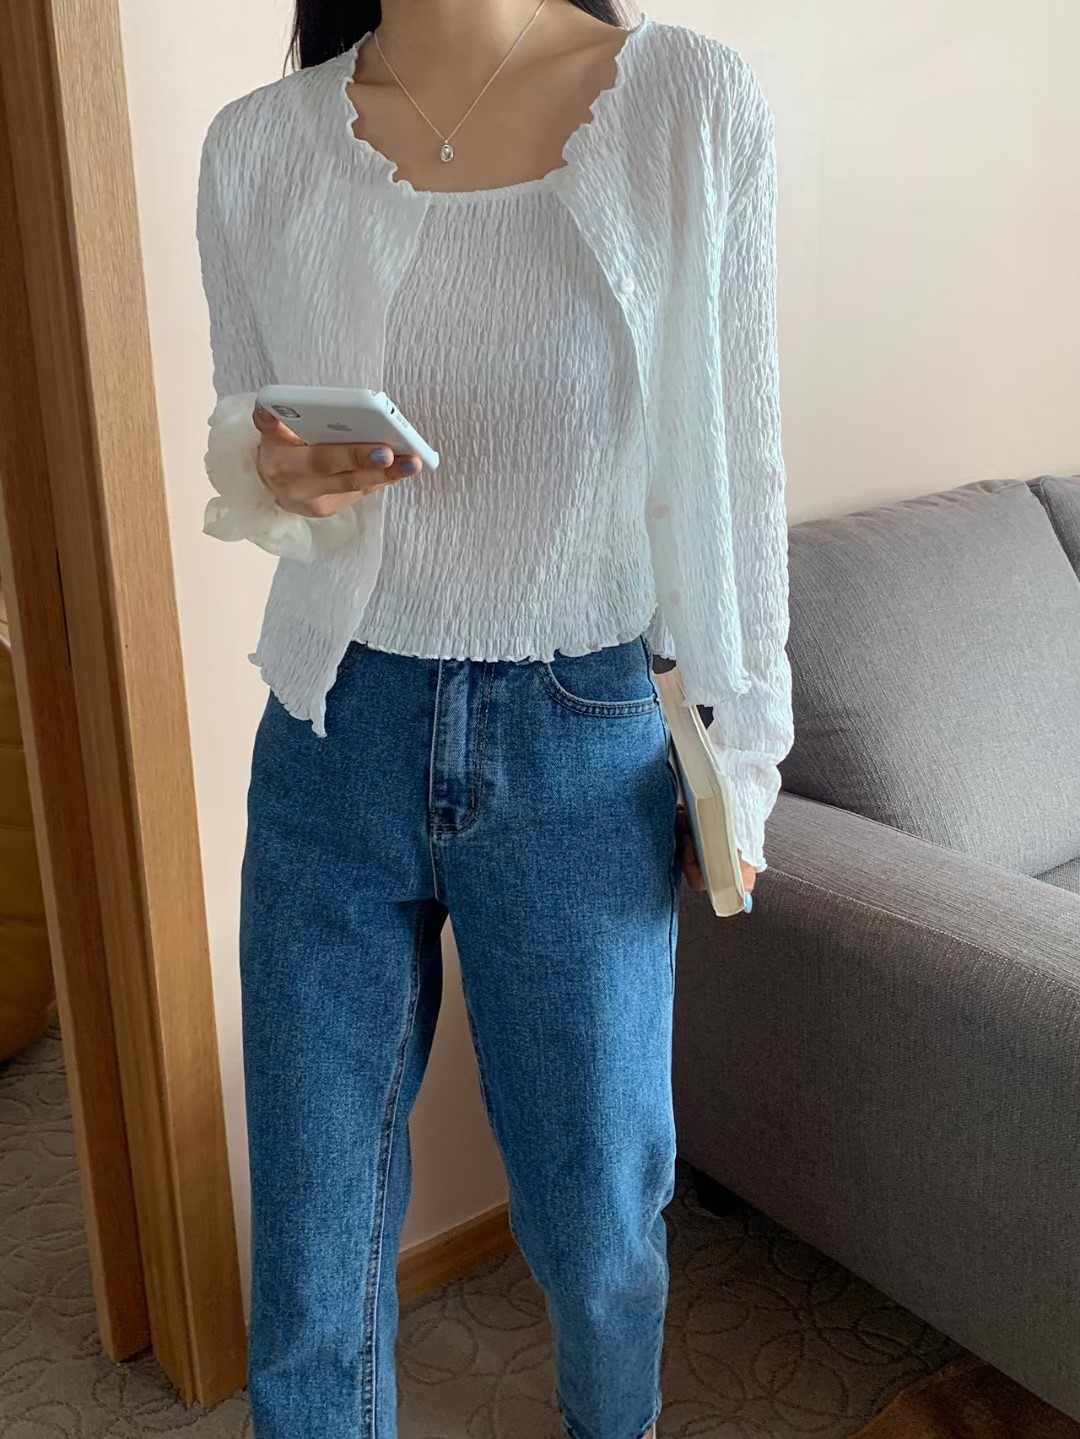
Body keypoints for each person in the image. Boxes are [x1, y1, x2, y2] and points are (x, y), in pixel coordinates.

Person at [196, 0, 793, 1435]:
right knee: (312, 1245)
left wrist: (745, 750)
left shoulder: (685, 105)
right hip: (332, 732)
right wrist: (271, 472)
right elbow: (244, 427)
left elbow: (737, 461)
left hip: (582, 736)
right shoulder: (260, 144)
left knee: (599, 1220)